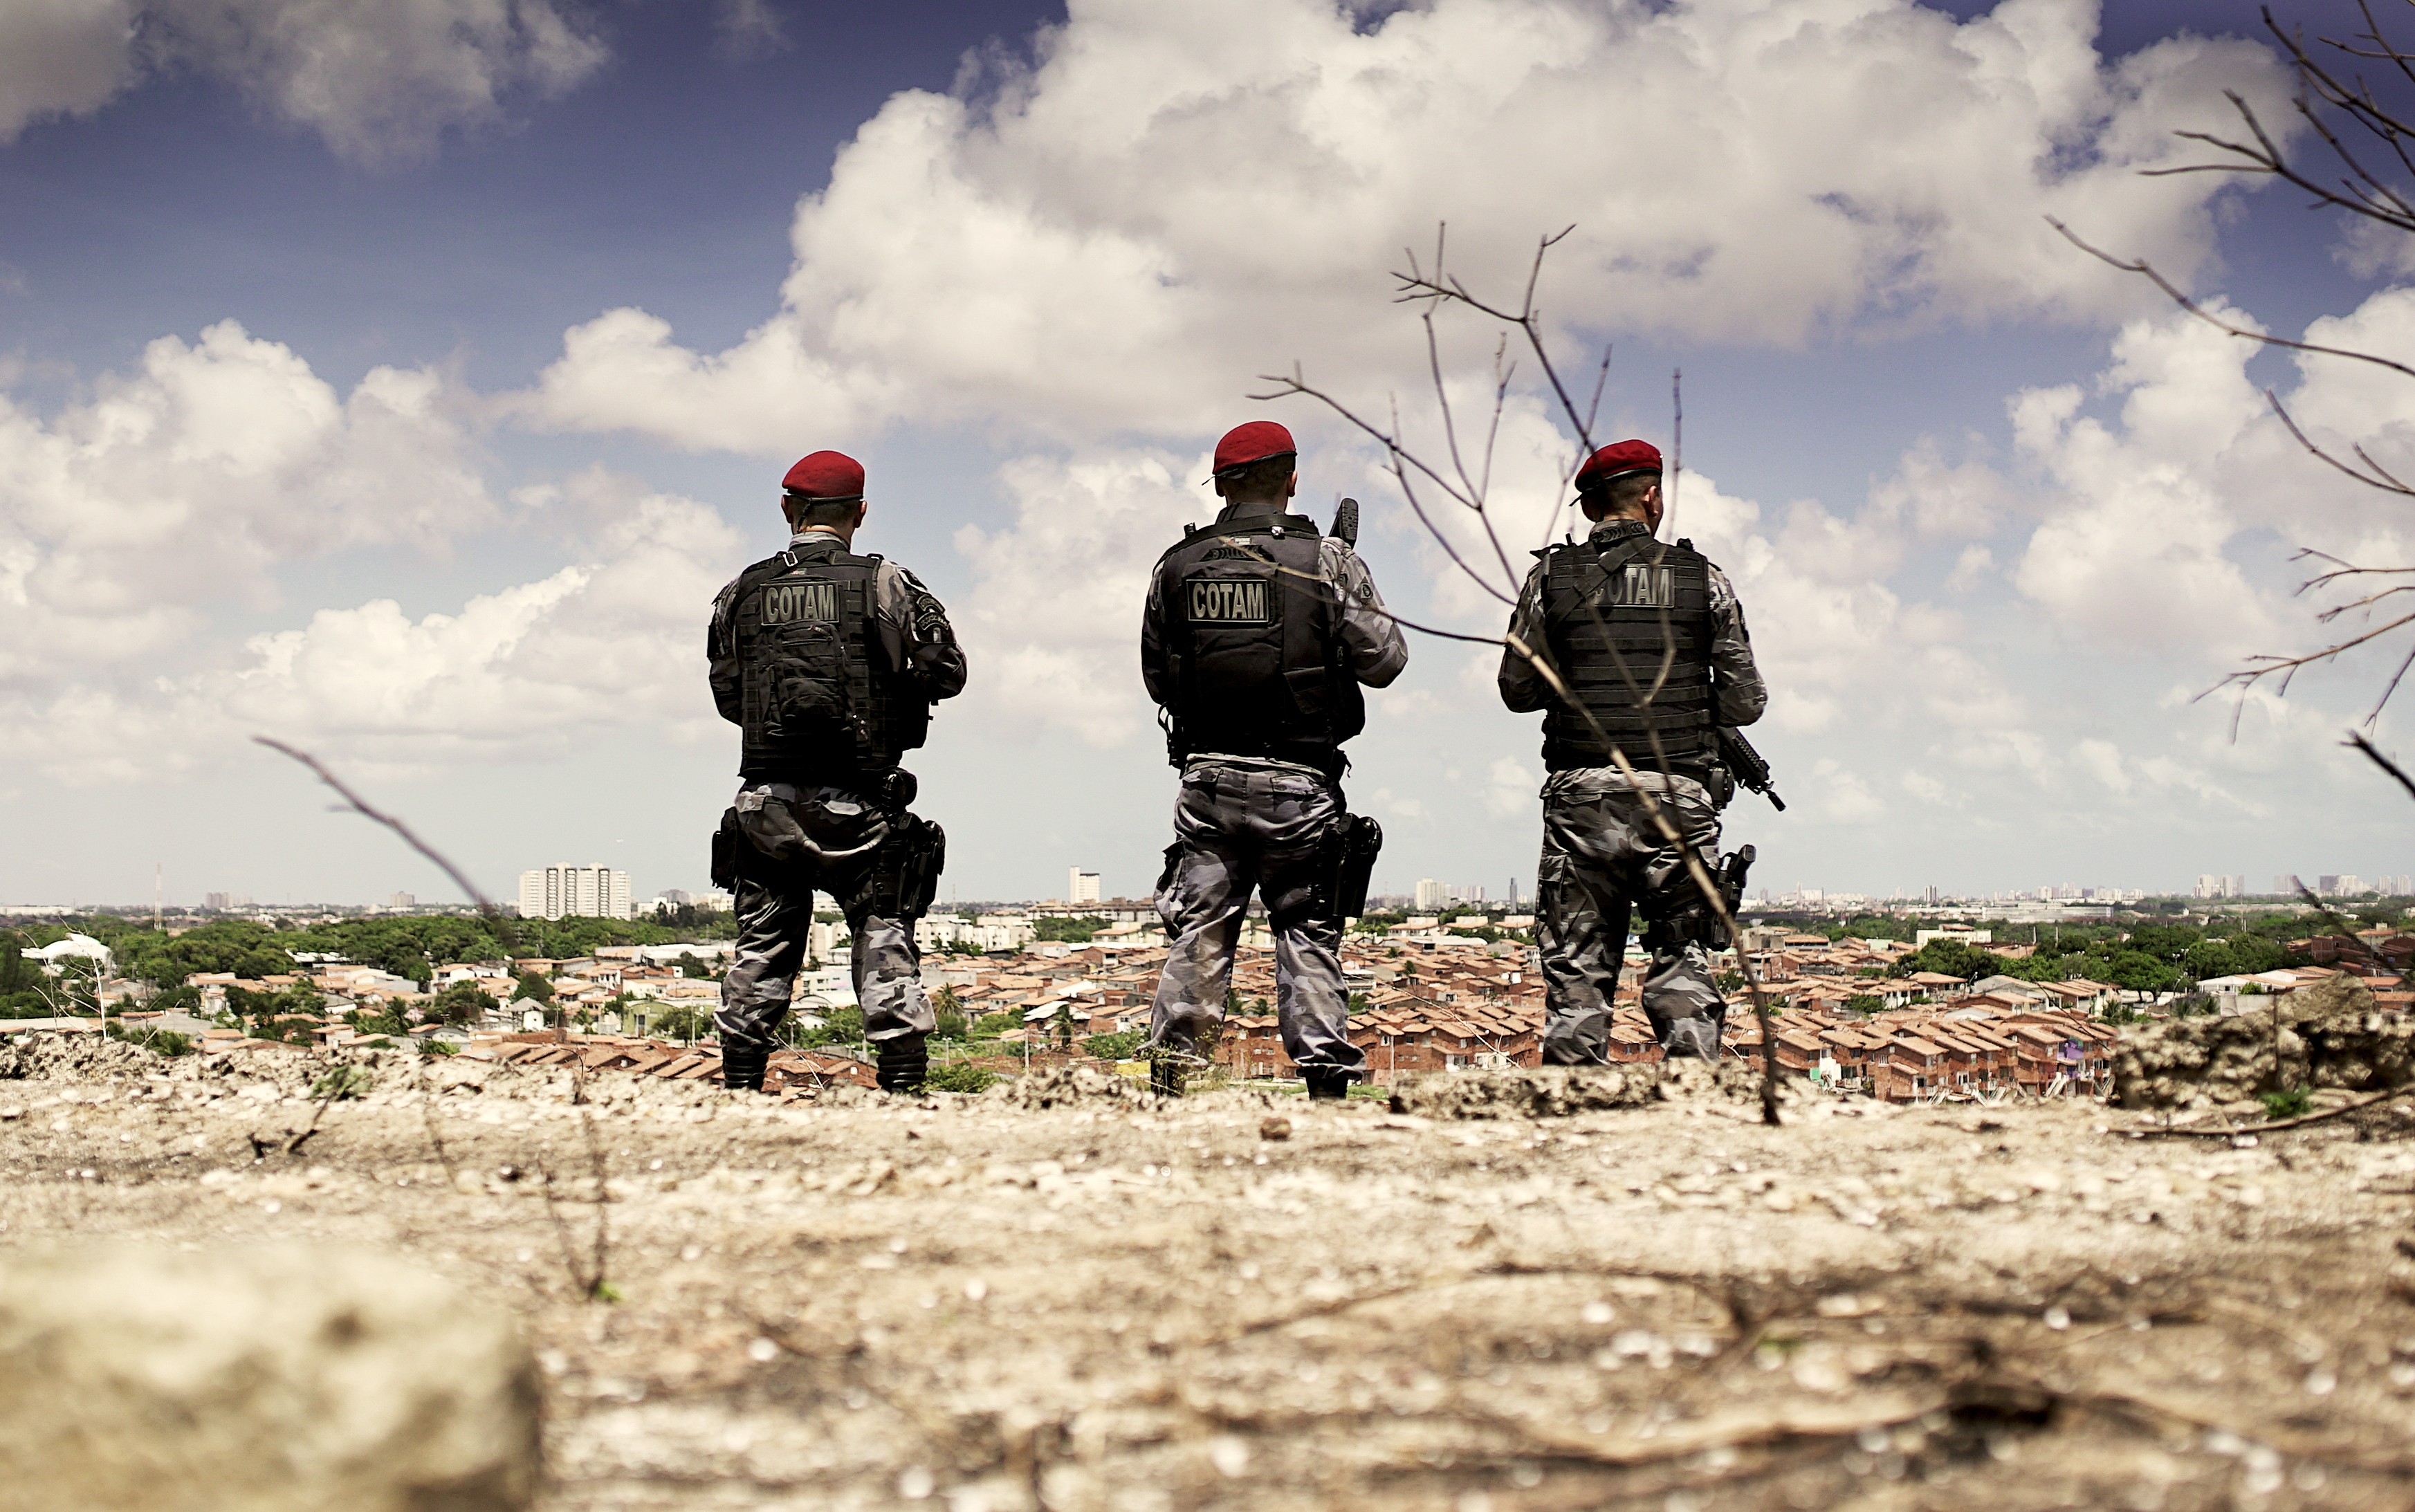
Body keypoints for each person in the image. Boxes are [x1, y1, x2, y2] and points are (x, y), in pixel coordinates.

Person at [1139, 421, 1408, 1099]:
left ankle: (1171, 1081)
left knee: (1200, 928)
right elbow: (1386, 659)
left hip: (1207, 780)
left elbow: (1156, 676)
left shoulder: (1175, 566)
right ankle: (1324, 1087)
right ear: (1291, 481)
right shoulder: (1324, 561)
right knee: (1306, 928)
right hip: (1298, 781)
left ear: (1221, 486)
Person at [1497, 439, 1767, 1064]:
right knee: (1683, 951)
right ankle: (1694, 1101)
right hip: (1677, 795)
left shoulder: (1550, 578)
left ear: (1590, 505)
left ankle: (1574, 1103)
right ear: (1652, 497)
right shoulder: (1703, 580)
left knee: (1577, 965)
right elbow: (1745, 702)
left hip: (1581, 796)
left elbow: (1517, 691)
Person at [706, 450, 966, 1094]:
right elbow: (949, 672)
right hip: (861, 799)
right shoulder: (885, 583)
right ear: (860, 512)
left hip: (765, 800)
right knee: (883, 940)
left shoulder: (742, 589)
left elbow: (726, 693)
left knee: (762, 949)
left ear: (787, 509)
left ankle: (738, 1088)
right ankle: (903, 1089)